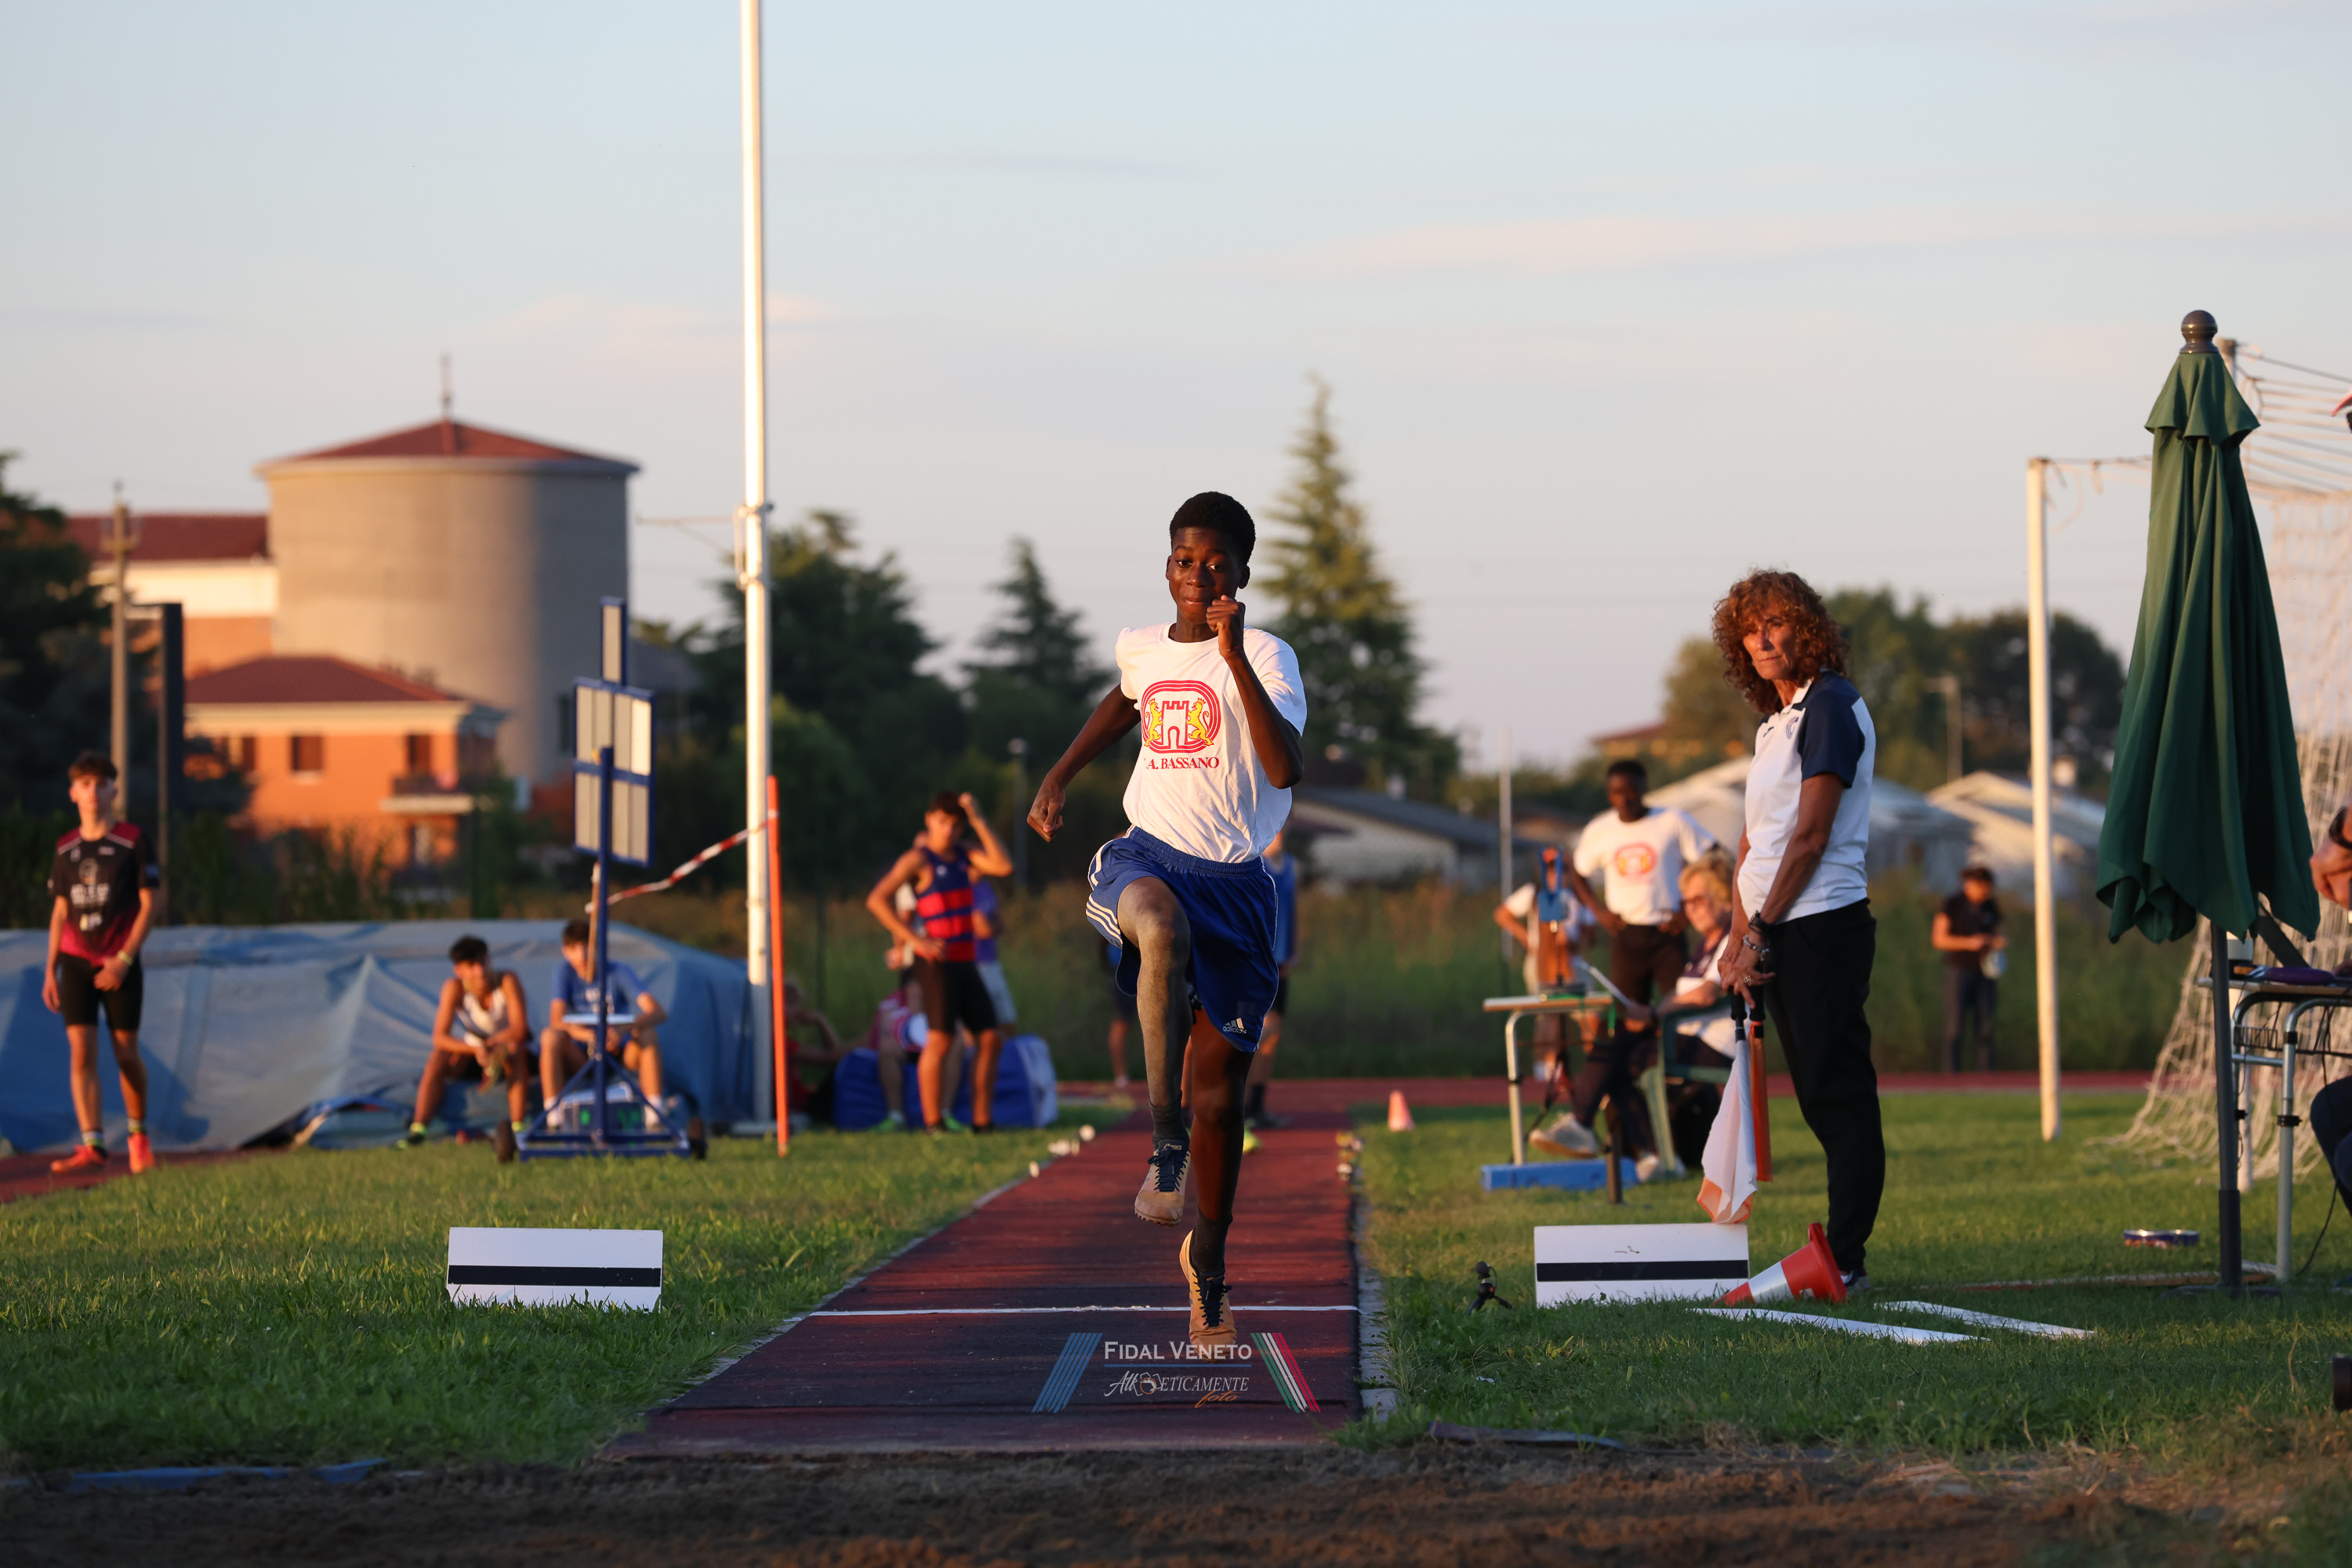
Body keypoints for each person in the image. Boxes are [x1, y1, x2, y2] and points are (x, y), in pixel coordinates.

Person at [1028, 491, 1305, 1348]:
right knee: (1158, 930)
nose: (1200, 574)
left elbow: (1284, 766)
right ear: (1168, 566)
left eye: (1218, 563)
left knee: (1222, 1101)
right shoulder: (1141, 646)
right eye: (1187, 560)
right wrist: (1061, 772)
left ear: (1242, 575)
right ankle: (1164, 1139)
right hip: (1148, 857)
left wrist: (1233, 656)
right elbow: (1126, 699)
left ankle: (1208, 1261)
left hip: (1237, 886)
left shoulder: (1267, 652)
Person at [1713, 568, 1884, 1293]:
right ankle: (1840, 1252)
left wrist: (1760, 932)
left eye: (1776, 623)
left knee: (1836, 1094)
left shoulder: (1832, 706)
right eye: (1749, 631)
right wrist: (1737, 935)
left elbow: (1810, 838)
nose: (1762, 640)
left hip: (1820, 924)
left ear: (1806, 628)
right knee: (1815, 1094)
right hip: (1775, 929)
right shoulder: (1775, 722)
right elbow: (1754, 841)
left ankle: (1846, 1258)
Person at [864, 791, 1014, 1132]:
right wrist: (915, 939)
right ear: (929, 820)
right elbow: (876, 900)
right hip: (935, 963)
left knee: (990, 1037)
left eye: (956, 825)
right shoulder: (919, 859)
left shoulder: (965, 854)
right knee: (941, 1039)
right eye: (943, 822)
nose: (949, 830)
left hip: (967, 960)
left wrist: (978, 819)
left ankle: (982, 1121)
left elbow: (1004, 866)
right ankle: (933, 1122)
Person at [41, 753, 159, 1175]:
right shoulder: (65, 848)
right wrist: (51, 968)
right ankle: (92, 1144)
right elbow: (60, 911)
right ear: (73, 793)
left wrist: (124, 960)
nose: (94, 791)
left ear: (114, 790)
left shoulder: (132, 840)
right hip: (76, 962)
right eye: (85, 784)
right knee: (80, 1050)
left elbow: (151, 904)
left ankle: (138, 1135)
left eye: (101, 783)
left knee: (126, 1053)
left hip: (118, 962)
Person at [1568, 759, 1718, 1043]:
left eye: (1630, 791)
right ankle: (1637, 1067)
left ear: (1643, 788)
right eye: (1616, 793)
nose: (1623, 799)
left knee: (1682, 1008)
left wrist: (1689, 910)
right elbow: (1578, 872)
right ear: (1608, 794)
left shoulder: (1672, 820)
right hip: (1625, 933)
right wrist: (1599, 912)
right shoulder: (1600, 829)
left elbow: (1712, 857)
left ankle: (1683, 1066)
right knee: (1628, 1015)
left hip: (1667, 930)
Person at [1499, 846, 1599, 1152]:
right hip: (1544, 965)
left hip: (1573, 965)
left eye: (1563, 869)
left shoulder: (1579, 897)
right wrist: (1527, 938)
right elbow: (1503, 914)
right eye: (1553, 869)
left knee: (1591, 1018)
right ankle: (1546, 1071)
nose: (1559, 875)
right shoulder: (1534, 894)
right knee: (1548, 1017)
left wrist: (1576, 940)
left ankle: (1595, 1072)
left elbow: (1590, 933)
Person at [539, 917, 677, 1138]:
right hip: (584, 1056)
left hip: (619, 1054)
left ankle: (655, 1118)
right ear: (566, 952)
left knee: (648, 1033)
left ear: (600, 948)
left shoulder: (618, 972)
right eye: (575, 949)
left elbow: (657, 1012)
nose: (583, 955)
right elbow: (556, 1019)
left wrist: (623, 1029)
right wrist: (585, 1035)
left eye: (588, 947)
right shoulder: (564, 973)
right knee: (550, 1037)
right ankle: (553, 1120)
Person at [400, 935, 534, 1153]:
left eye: (482, 962)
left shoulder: (507, 980)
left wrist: (492, 1046)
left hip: (505, 1049)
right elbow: (439, 1037)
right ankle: (419, 1129)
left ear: (489, 960)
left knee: (515, 1049)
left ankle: (518, 1128)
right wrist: (476, 1049)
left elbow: (519, 1028)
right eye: (471, 966)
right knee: (438, 1056)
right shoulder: (454, 988)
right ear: (459, 971)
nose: (480, 971)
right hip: (475, 1053)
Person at [1244, 829, 1300, 1138]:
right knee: (1254, 1032)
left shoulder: (1291, 866)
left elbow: (1293, 911)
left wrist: (1293, 951)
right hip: (1258, 959)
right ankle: (1240, 1106)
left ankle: (1257, 1105)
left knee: (1273, 1034)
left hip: (1281, 960)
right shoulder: (1254, 862)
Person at [1932, 865, 2006, 1074]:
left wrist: (1996, 941)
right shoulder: (1952, 904)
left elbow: (1999, 931)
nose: (1986, 893)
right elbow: (1938, 939)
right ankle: (1951, 1076)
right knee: (1954, 1026)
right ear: (1971, 884)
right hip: (1959, 970)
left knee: (1986, 1025)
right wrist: (1969, 943)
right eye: (1983, 888)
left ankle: (1986, 1075)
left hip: (1986, 971)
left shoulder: (1990, 906)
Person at [1101, 937, 1134, 1088]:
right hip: (1123, 968)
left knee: (1161, 1023)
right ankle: (1121, 1076)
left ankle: (1165, 1073)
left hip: (1144, 965)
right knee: (1122, 1022)